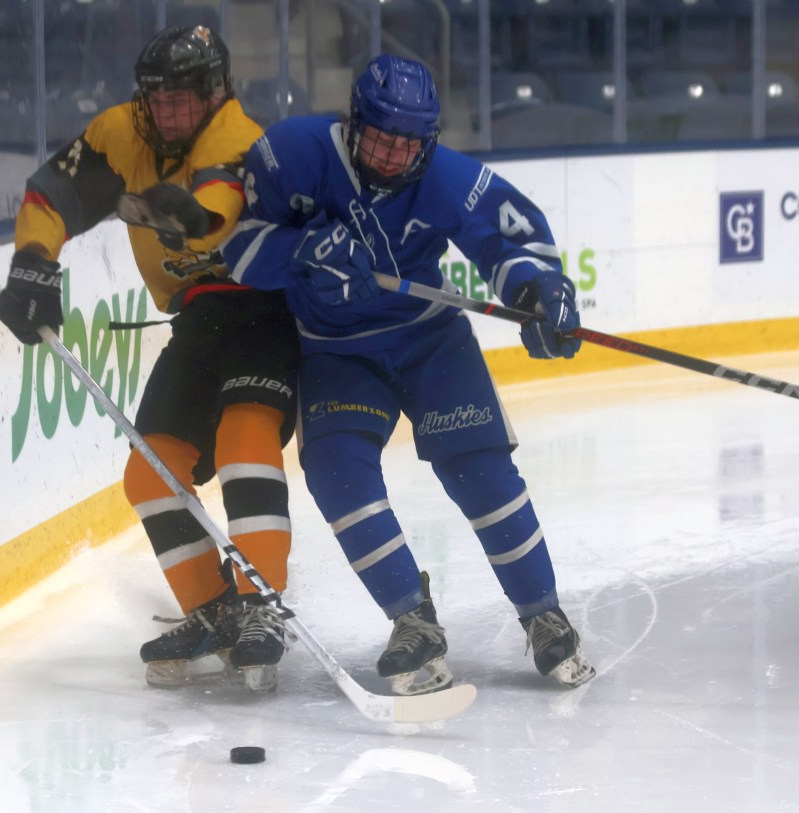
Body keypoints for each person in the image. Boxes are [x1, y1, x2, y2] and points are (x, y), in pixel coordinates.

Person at [223, 53, 595, 695]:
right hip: (335, 351)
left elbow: (511, 239)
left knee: (482, 473)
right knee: (339, 476)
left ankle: (543, 614)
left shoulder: (447, 177)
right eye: (382, 140)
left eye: (409, 145)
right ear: (354, 124)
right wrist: (301, 250)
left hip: (430, 342)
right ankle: (413, 622)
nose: (395, 157)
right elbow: (238, 248)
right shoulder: (290, 154)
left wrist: (539, 289)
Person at [0, 25, 299, 693]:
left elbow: (216, 206)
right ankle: (214, 610)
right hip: (198, 316)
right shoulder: (115, 134)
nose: (168, 114)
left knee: (245, 442)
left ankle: (260, 606)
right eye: (158, 100)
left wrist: (184, 216)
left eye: (183, 100)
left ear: (215, 94)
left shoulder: (236, 134)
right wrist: (32, 264)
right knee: (148, 472)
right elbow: (50, 194)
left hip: (265, 310)